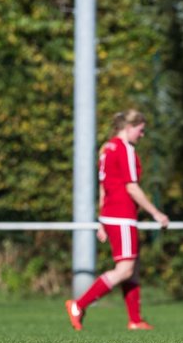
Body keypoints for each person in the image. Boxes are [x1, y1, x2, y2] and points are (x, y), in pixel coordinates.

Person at [65, 109, 170, 331]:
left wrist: (102, 219)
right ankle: (79, 305)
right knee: (124, 269)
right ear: (129, 127)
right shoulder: (125, 149)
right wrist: (156, 213)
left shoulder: (106, 147)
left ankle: (135, 320)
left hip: (112, 215)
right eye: (140, 131)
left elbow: (104, 186)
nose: (141, 135)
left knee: (133, 267)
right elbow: (131, 187)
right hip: (121, 215)